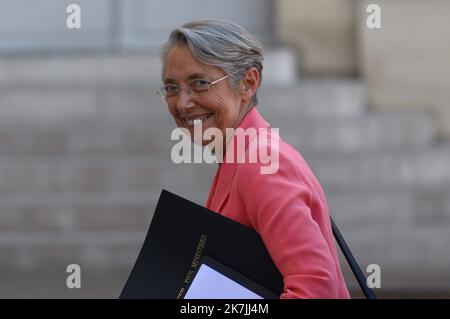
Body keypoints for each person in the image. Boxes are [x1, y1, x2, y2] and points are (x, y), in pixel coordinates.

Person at [158, 19, 350, 299]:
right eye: (172, 88)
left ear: (248, 83)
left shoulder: (262, 164)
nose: (182, 103)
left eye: (199, 83)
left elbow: (315, 289)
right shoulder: (239, 156)